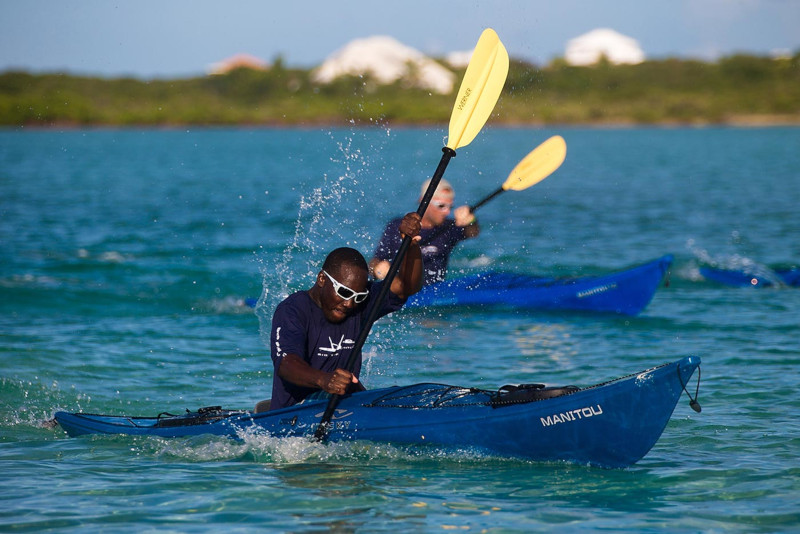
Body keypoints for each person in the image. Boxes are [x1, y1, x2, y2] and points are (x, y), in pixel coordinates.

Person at [267, 212, 423, 411]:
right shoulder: (292, 310)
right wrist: (324, 380)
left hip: (344, 407)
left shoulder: (360, 303)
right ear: (322, 279)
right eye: (344, 292)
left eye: (357, 296)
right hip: (296, 412)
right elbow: (286, 365)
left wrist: (411, 246)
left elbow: (406, 287)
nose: (349, 304)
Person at [370, 178, 479, 285]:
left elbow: (473, 232)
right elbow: (373, 263)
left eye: (450, 206)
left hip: (435, 289)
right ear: (423, 201)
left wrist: (471, 220)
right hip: (402, 289)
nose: (447, 211)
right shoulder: (397, 226)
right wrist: (377, 270)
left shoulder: (449, 228)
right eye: (441, 206)